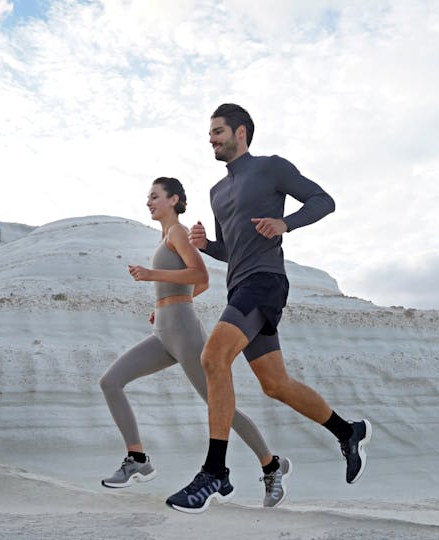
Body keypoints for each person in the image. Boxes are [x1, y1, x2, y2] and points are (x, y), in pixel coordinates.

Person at [165, 104, 372, 514]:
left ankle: (215, 472)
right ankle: (348, 430)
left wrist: (286, 224)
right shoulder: (217, 192)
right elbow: (232, 248)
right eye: (210, 133)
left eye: (219, 131)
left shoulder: (271, 168)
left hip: (265, 282)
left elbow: (323, 200)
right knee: (274, 384)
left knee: (213, 357)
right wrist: (209, 247)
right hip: (239, 286)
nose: (212, 138)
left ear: (241, 132)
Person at [99, 177, 291, 509]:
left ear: (174, 199)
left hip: (185, 333)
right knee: (111, 381)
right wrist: (161, 305)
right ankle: (137, 458)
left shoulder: (178, 232)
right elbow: (190, 286)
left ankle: (271, 465)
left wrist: (152, 275)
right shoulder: (165, 237)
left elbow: (200, 275)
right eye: (148, 197)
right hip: (164, 331)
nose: (149, 202)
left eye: (155, 196)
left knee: (220, 408)